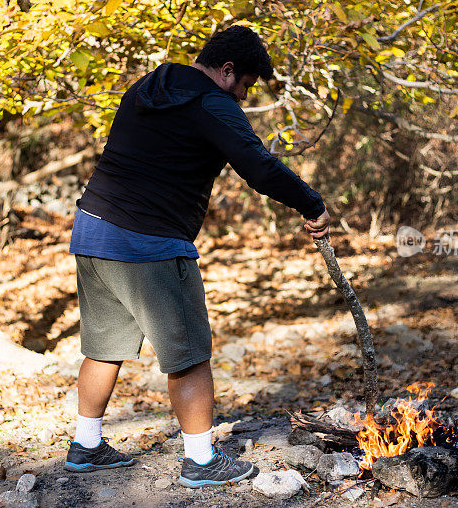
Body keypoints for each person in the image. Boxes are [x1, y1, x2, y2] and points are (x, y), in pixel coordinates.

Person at [64, 25, 330, 487]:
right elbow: (259, 168)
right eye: (245, 86)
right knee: (188, 352)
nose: (244, 97)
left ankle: (86, 445)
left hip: (92, 230)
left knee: (104, 347)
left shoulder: (151, 84)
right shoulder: (213, 103)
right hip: (148, 241)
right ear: (227, 71)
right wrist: (312, 203)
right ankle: (202, 460)